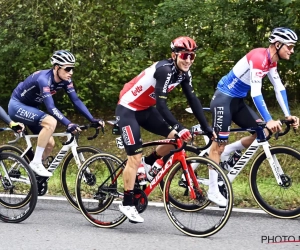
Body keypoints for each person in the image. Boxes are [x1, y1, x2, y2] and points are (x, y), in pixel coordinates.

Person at [116, 36, 214, 223]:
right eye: (185, 55)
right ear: (174, 55)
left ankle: (149, 162)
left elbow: (193, 101)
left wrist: (207, 128)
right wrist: (179, 126)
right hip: (128, 109)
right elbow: (161, 104)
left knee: (178, 139)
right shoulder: (165, 70)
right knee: (134, 157)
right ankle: (127, 203)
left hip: (145, 110)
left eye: (192, 56)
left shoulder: (184, 74)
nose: (188, 60)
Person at [209, 27, 300, 204]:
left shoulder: (272, 61)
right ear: (277, 44)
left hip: (237, 101)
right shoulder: (259, 58)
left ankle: (228, 151)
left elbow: (279, 88)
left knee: (262, 132)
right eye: (289, 46)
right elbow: (256, 94)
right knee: (218, 145)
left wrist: (288, 115)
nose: (292, 50)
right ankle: (213, 190)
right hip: (223, 99)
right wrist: (269, 119)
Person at [8, 50, 104, 177]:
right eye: (68, 69)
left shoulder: (66, 80)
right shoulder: (44, 79)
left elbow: (76, 100)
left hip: (32, 107)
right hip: (17, 106)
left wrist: (92, 119)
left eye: (72, 69)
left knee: (50, 143)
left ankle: (34, 176)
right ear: (56, 67)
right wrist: (68, 123)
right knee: (51, 122)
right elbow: (51, 107)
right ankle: (36, 162)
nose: (71, 73)